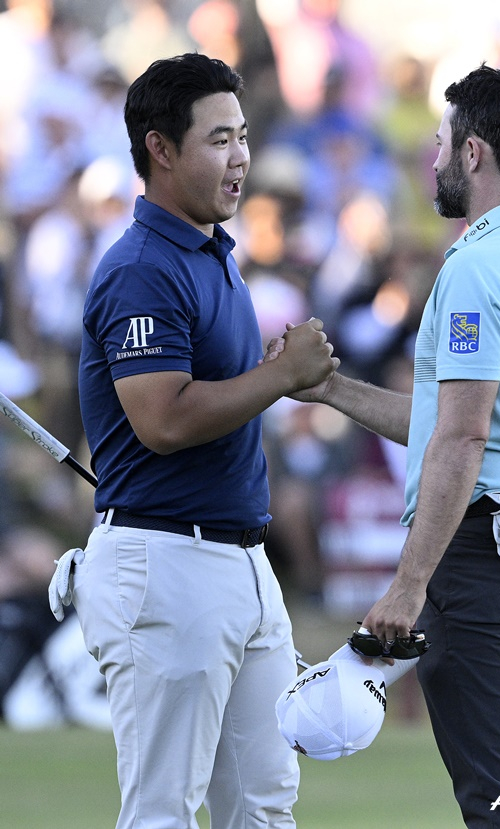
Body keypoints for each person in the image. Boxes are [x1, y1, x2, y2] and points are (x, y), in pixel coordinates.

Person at [274, 64, 500, 827]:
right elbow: (448, 417)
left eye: (441, 141)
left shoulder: (476, 267)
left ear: (474, 153)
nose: (432, 158)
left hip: (492, 561)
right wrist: (330, 390)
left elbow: (463, 434)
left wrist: (408, 583)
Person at [64, 53, 338, 829]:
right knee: (163, 812)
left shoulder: (216, 256)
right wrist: (282, 374)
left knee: (264, 805)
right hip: (166, 564)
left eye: (243, 136)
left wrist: (279, 375)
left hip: (240, 564)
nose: (240, 157)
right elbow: (164, 419)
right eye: (219, 139)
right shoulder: (142, 267)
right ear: (160, 148)